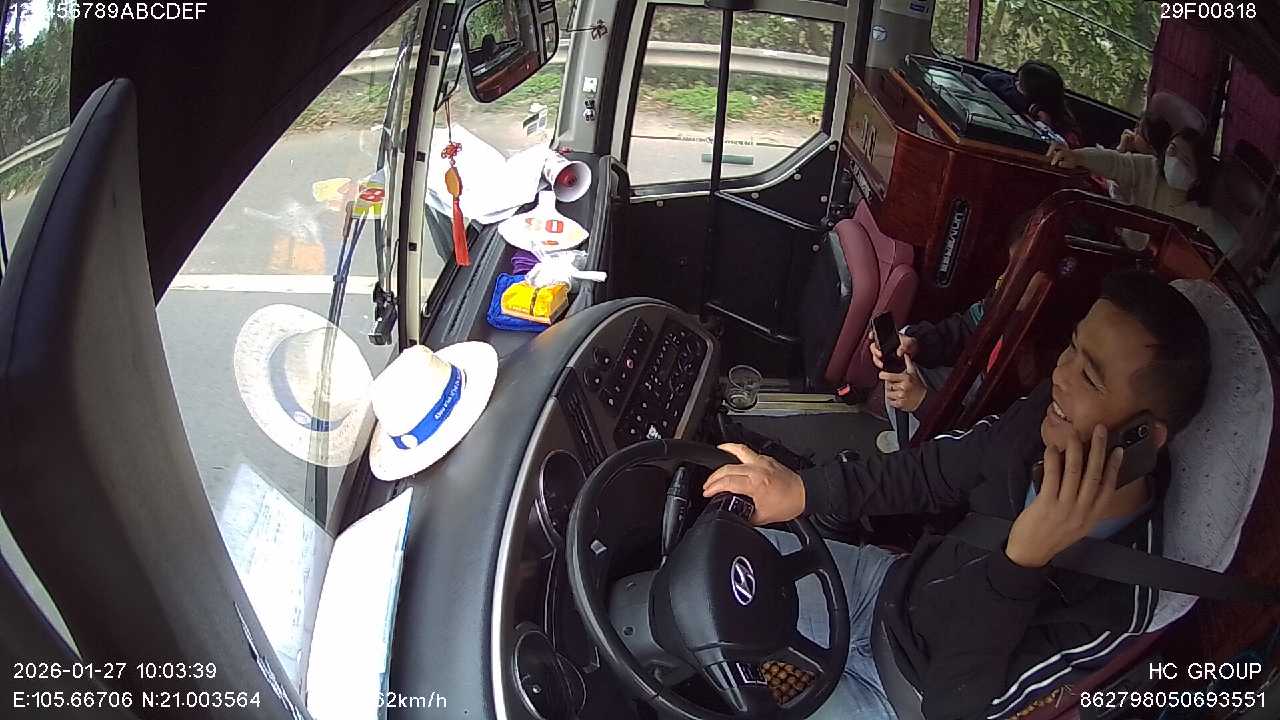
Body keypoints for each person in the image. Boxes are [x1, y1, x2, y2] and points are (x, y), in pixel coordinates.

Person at [701, 270, 1211, 720]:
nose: (1060, 376)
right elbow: (936, 470)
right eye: (1072, 348)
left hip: (902, 699)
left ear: (1142, 436)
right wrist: (805, 490)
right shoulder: (1048, 418)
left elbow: (955, 703)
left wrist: (1020, 564)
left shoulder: (1121, 601)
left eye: (1091, 378)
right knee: (704, 566)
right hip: (886, 590)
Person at [870, 214, 1042, 453]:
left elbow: (988, 435)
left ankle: (917, 454)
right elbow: (966, 327)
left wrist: (924, 403)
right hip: (976, 377)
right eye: (1010, 266)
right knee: (905, 347)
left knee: (912, 394)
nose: (1005, 280)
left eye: (1022, 272)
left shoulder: (1038, 358)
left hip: (980, 427)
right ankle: (909, 439)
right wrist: (918, 343)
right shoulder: (1005, 293)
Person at [1049, 129, 1240, 254]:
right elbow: (1116, 162)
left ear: (1198, 178)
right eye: (1172, 151)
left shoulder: (1202, 219)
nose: (1175, 161)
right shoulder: (1149, 168)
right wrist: (1078, 157)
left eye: (1186, 161)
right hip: (1117, 248)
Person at [983, 61, 1082, 147]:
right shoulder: (1009, 88)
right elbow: (989, 78)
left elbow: (1068, 148)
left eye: (1019, 85)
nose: (1015, 84)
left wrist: (1046, 127)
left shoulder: (1066, 129)